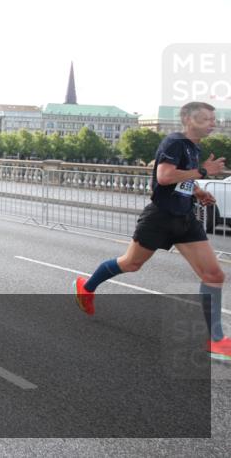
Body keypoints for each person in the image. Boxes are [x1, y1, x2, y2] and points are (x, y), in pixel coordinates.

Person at [74, 101, 229, 361]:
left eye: (213, 119)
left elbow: (182, 179)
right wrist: (204, 171)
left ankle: (215, 338)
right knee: (131, 264)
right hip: (160, 218)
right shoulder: (174, 142)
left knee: (213, 274)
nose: (213, 123)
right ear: (189, 120)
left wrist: (199, 191)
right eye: (207, 119)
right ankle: (86, 287)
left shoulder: (192, 147)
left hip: (185, 218)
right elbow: (164, 177)